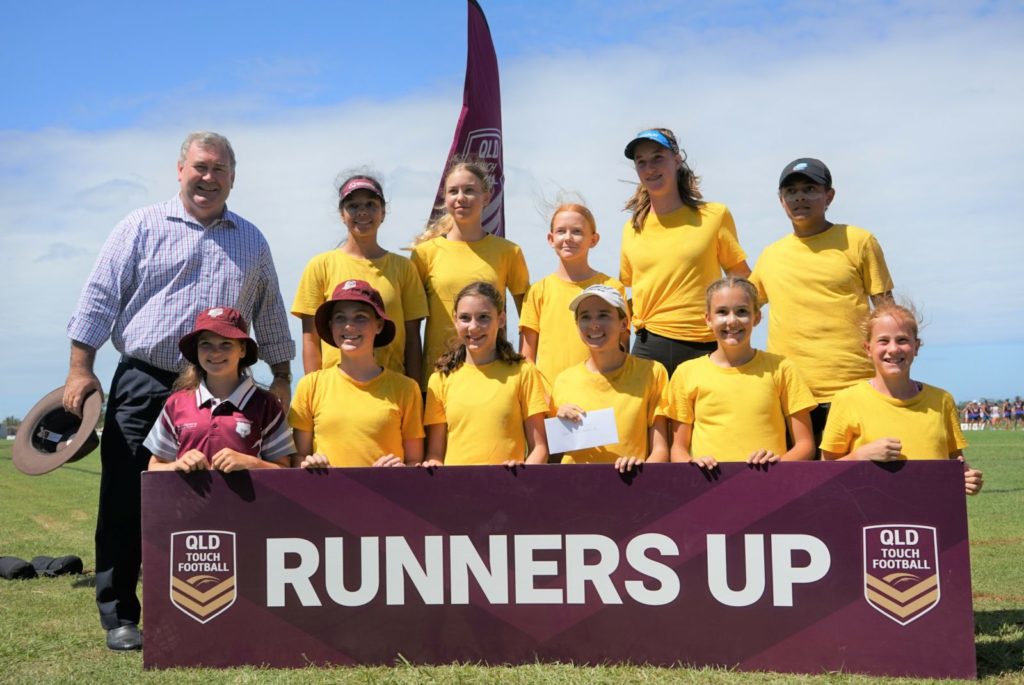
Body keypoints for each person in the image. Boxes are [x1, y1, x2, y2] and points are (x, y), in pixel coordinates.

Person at [62, 131, 294, 651]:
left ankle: (232, 607)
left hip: (222, 383)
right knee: (125, 493)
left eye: (219, 169)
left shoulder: (252, 240)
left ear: (233, 177)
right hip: (145, 379)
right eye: (200, 167)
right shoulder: (140, 226)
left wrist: (280, 375)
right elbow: (99, 295)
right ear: (180, 169)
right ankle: (120, 614)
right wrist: (81, 368)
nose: (208, 178)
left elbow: (271, 311)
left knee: (225, 491)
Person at [750, 158, 893, 450]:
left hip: (855, 389)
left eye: (810, 188)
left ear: (829, 196)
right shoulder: (770, 256)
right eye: (791, 191)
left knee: (860, 489)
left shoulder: (859, 241)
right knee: (798, 491)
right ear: (781, 200)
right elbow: (739, 309)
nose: (800, 196)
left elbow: (887, 311)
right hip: (792, 397)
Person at [620, 128, 750, 377]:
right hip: (648, 347)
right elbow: (633, 292)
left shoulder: (715, 216)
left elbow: (742, 278)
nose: (650, 168)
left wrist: (736, 329)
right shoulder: (631, 228)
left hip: (705, 346)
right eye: (641, 162)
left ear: (677, 160)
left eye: (658, 157)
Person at [821, 303, 983, 495]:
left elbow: (956, 464)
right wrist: (861, 455)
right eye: (883, 341)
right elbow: (824, 474)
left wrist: (968, 479)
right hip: (868, 518)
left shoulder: (942, 400)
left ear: (916, 346)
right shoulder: (847, 400)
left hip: (930, 518)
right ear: (868, 348)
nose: (893, 349)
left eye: (902, 340)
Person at [668, 278, 817, 467]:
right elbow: (677, 449)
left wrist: (777, 465)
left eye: (742, 312)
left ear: (757, 318)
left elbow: (805, 445)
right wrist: (693, 463)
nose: (732, 321)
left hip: (769, 488)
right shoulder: (686, 373)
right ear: (708, 319)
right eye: (722, 312)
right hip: (709, 488)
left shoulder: (782, 368)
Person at [292, 174, 427, 382]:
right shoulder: (319, 266)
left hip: (393, 392)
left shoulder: (404, 268)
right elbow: (310, 338)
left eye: (371, 205)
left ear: (383, 213)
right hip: (334, 391)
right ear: (342, 214)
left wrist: (417, 394)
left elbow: (412, 340)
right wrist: (313, 392)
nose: (362, 212)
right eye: (353, 206)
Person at [411, 160, 529, 384]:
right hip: (438, 379)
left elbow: (529, 319)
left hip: (496, 377)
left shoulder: (509, 252)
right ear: (445, 198)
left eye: (469, 190)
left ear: (486, 197)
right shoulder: (424, 254)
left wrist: (523, 364)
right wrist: (416, 382)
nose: (460, 198)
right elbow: (411, 330)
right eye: (453, 191)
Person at [289, 280, 424, 468]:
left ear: (379, 325)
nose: (349, 326)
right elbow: (298, 458)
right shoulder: (310, 386)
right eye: (340, 318)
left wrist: (401, 472)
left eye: (360, 317)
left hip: (388, 496)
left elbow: (415, 461)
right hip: (326, 496)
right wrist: (310, 465)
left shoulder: (406, 389)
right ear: (331, 326)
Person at [145, 307, 294, 471]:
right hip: (186, 498)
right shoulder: (177, 403)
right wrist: (177, 465)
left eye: (226, 344)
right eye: (206, 343)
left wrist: (252, 463)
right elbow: (155, 466)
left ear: (242, 349)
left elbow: (284, 470)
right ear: (197, 349)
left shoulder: (266, 404)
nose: (215, 352)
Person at [423, 281, 548, 466]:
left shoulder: (523, 373)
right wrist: (432, 465)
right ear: (455, 319)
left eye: (483, 317)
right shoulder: (440, 379)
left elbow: (540, 448)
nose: (473, 327)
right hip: (455, 492)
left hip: (508, 489)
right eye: (465, 318)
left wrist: (521, 478)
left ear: (502, 319)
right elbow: (435, 453)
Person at [551, 285, 669, 472]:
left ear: (624, 323)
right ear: (577, 325)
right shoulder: (563, 381)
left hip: (631, 488)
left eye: (604, 315)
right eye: (585, 317)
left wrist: (641, 474)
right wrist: (559, 426)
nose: (594, 324)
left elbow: (661, 450)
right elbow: (552, 457)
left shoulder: (652, 373)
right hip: (575, 490)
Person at [519, 203, 628, 386]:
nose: (568, 238)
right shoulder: (538, 291)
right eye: (561, 231)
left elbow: (623, 348)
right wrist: (542, 399)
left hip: (601, 396)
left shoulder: (612, 288)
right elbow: (526, 359)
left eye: (577, 232)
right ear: (550, 238)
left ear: (593, 240)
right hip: (551, 405)